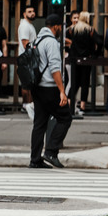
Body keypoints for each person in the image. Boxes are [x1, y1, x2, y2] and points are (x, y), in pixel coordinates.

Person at [29, 14, 74, 169]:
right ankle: (51, 152)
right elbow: (55, 68)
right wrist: (62, 91)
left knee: (39, 123)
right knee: (65, 117)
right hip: (49, 88)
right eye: (60, 27)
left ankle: (35, 159)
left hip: (37, 87)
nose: (61, 29)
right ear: (55, 26)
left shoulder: (37, 41)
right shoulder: (51, 42)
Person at [67, 11, 102, 116]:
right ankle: (82, 106)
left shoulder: (72, 30)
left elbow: (64, 39)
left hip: (74, 59)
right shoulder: (90, 30)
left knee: (75, 83)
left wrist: (70, 50)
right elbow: (100, 42)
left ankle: (69, 104)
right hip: (87, 59)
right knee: (85, 83)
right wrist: (95, 54)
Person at [17, 5, 38, 117]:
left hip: (28, 57)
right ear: (24, 14)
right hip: (26, 58)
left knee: (29, 83)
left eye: (33, 11)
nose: (32, 13)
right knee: (26, 83)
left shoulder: (29, 25)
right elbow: (25, 43)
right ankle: (26, 105)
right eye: (29, 11)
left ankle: (28, 104)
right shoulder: (25, 26)